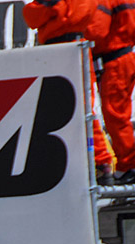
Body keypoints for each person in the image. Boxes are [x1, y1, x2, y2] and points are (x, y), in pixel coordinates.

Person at [24, 0, 116, 184]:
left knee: (77, 109)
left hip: (64, 49)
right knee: (79, 109)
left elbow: (33, 15)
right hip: (73, 47)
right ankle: (99, 162)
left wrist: (46, 11)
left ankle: (100, 162)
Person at [85, 0, 135, 184]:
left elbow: (96, 30)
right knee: (120, 115)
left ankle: (128, 166)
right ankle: (127, 166)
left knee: (115, 115)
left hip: (114, 60)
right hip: (125, 56)